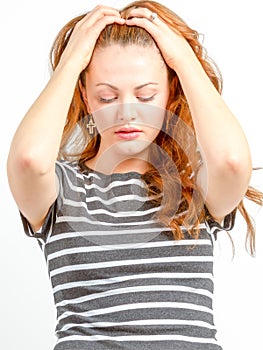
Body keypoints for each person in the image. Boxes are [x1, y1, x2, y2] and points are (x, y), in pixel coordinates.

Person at [7, 1, 263, 349]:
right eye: (107, 96)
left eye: (146, 94)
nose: (127, 112)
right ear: (84, 95)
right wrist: (70, 64)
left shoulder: (193, 190)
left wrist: (183, 59)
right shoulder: (62, 189)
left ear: (172, 90)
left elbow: (233, 162)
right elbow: (27, 161)